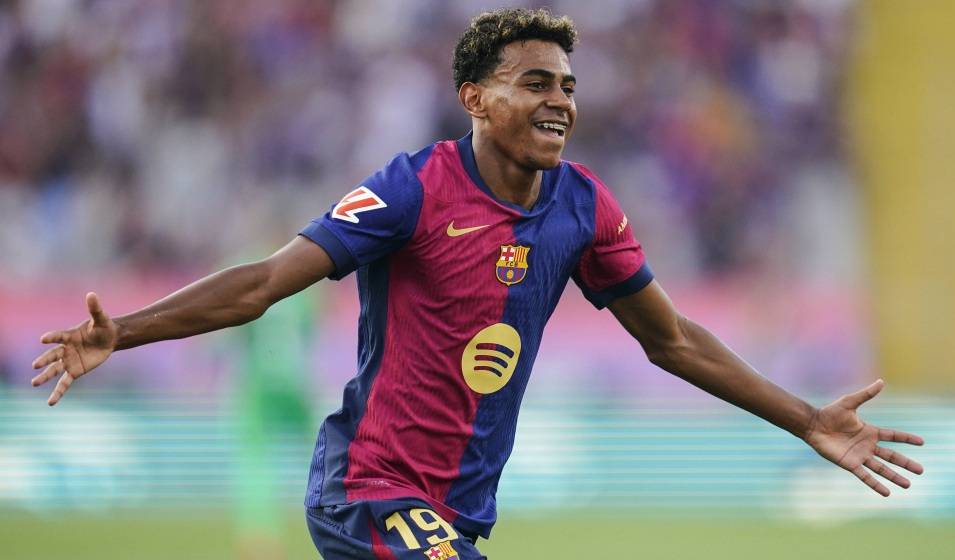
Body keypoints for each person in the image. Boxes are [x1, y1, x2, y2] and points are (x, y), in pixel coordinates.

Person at [31, 8, 923, 560]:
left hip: (453, 513)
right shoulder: (411, 188)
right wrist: (126, 330)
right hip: (368, 492)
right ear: (475, 99)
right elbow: (263, 282)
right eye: (534, 83)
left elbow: (672, 340)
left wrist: (805, 419)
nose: (560, 101)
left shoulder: (584, 208)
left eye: (567, 86)